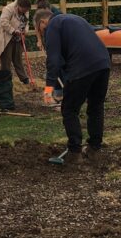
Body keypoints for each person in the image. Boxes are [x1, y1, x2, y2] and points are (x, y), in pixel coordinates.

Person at [34, 9, 111, 164]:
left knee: (69, 109)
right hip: (103, 63)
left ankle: (74, 152)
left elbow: (54, 61)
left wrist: (48, 89)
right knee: (96, 106)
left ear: (43, 22)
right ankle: (94, 149)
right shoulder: (74, 18)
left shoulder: (53, 26)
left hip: (82, 68)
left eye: (40, 30)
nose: (42, 34)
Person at [0, 0, 34, 89]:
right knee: (6, 60)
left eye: (27, 10)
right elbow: (3, 22)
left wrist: (25, 32)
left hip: (18, 38)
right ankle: (6, 81)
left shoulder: (26, 11)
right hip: (6, 37)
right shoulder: (8, 9)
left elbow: (27, 23)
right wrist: (13, 31)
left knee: (18, 58)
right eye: (24, 10)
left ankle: (24, 79)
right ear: (19, 6)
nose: (25, 12)